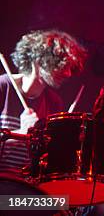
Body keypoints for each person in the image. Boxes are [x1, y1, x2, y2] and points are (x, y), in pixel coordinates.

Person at [0, 29, 87, 176]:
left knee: (61, 199)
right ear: (38, 61)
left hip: (24, 188)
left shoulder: (54, 102)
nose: (68, 73)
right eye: (61, 65)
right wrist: (20, 134)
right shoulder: (3, 87)